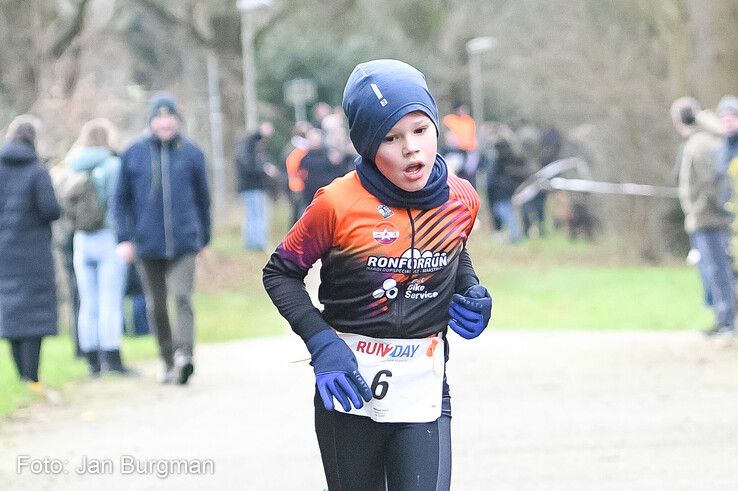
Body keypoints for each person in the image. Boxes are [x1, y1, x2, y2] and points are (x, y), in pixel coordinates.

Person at [263, 59, 492, 490]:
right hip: (348, 389)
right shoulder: (336, 204)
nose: (412, 149)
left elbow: (454, 250)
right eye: (392, 137)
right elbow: (280, 274)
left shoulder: (460, 199)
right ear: (368, 145)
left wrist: (472, 291)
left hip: (423, 389)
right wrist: (320, 340)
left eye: (421, 131)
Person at [114, 92, 212, 384]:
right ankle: (168, 359)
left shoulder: (192, 153)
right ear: (151, 122)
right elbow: (120, 202)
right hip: (146, 244)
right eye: (159, 118)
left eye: (169, 118)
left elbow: (203, 200)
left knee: (182, 297)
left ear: (177, 120)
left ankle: (185, 355)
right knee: (155, 305)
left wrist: (204, 238)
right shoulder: (133, 153)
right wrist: (124, 238)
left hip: (184, 242)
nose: (165, 123)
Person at [64, 118, 135, 376]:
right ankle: (112, 358)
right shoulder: (113, 164)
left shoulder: (72, 165)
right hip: (107, 238)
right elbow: (117, 205)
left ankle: (92, 362)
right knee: (110, 300)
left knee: (87, 302)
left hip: (81, 239)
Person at [0, 115, 61, 391]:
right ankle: (31, 377)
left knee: (10, 311)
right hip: (34, 252)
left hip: (5, 252)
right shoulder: (37, 171)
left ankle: (21, 377)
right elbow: (51, 209)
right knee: (34, 314)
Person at [670, 97, 735, 341]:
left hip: (710, 219)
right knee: (714, 270)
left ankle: (726, 321)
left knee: (718, 270)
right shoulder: (703, 141)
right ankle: (723, 319)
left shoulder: (700, 144)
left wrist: (713, 210)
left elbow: (711, 183)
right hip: (704, 218)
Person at [236, 121, 277, 251]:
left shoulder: (248, 148)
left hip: (252, 187)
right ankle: (257, 243)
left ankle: (253, 242)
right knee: (257, 215)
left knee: (253, 215)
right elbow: (250, 166)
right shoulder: (248, 148)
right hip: (252, 187)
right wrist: (264, 169)